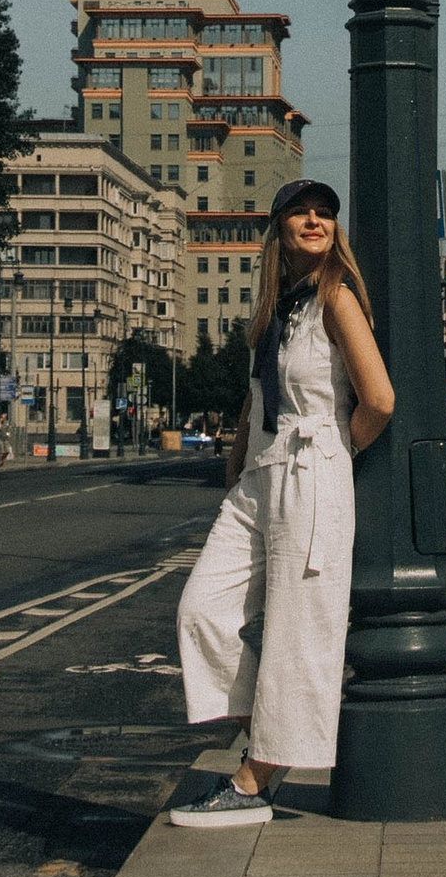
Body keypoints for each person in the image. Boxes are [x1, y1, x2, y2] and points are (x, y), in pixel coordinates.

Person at [168, 176, 394, 826]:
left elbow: (378, 399)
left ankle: (253, 781)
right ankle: (274, 735)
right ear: (279, 229)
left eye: (325, 213)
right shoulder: (276, 309)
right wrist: (236, 466)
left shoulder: (336, 299)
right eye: (301, 214)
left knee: (302, 632)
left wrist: (333, 454)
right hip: (258, 481)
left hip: (311, 468)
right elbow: (256, 398)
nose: (315, 221)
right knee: (201, 611)